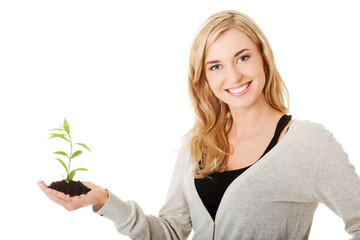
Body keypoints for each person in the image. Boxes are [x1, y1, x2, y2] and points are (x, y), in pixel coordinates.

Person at [38, 10, 360, 239]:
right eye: (216, 65)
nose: (233, 76)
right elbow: (171, 232)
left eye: (243, 57)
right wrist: (104, 201)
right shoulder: (199, 144)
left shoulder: (308, 144)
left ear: (263, 58)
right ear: (204, 77)